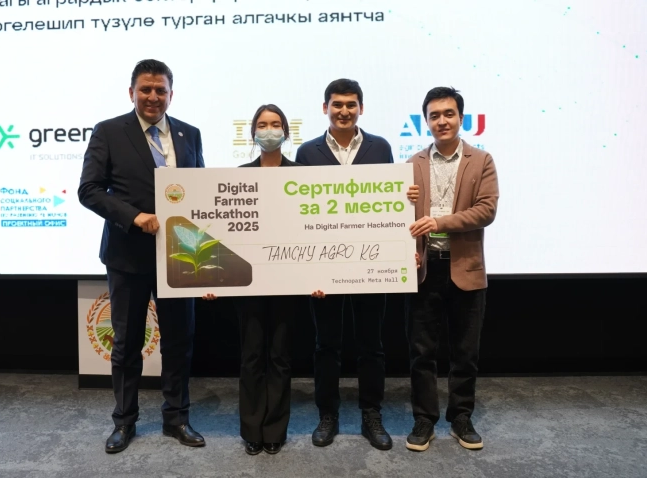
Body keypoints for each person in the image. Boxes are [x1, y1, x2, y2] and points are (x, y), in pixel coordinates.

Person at [78, 59, 206, 454]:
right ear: (131, 92)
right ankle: (124, 421)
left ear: (171, 94)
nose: (153, 97)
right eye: (145, 89)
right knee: (127, 343)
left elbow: (200, 191)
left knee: (179, 342)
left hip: (181, 254)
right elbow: (89, 190)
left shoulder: (189, 134)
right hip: (128, 256)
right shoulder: (109, 131)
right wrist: (133, 216)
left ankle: (177, 417)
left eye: (160, 90)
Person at [295, 78, 418, 450]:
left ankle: (371, 415)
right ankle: (327, 415)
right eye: (337, 104)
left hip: (371, 265)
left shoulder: (380, 147)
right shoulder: (308, 152)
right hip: (323, 267)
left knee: (371, 346)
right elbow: (297, 212)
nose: (344, 111)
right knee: (326, 346)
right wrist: (306, 271)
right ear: (325, 108)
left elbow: (390, 206)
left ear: (361, 108)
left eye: (351, 104)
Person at [203, 104, 303, 456]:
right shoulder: (240, 176)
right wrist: (209, 278)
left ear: (286, 132)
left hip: (288, 280)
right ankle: (251, 430)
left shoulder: (303, 175)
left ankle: (274, 430)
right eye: (262, 125)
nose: (269, 130)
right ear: (253, 133)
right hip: (248, 281)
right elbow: (224, 230)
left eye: (275, 124)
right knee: (251, 357)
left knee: (280, 357)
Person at [404, 86, 499, 452]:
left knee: (465, 352)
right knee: (421, 352)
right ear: (425, 122)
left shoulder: (481, 160)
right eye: (434, 116)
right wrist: (406, 251)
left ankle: (461, 417)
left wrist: (439, 222)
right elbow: (397, 217)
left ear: (461, 118)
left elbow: (486, 210)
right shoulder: (412, 164)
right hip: (424, 269)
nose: (441, 121)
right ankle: (424, 419)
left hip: (465, 268)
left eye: (448, 114)